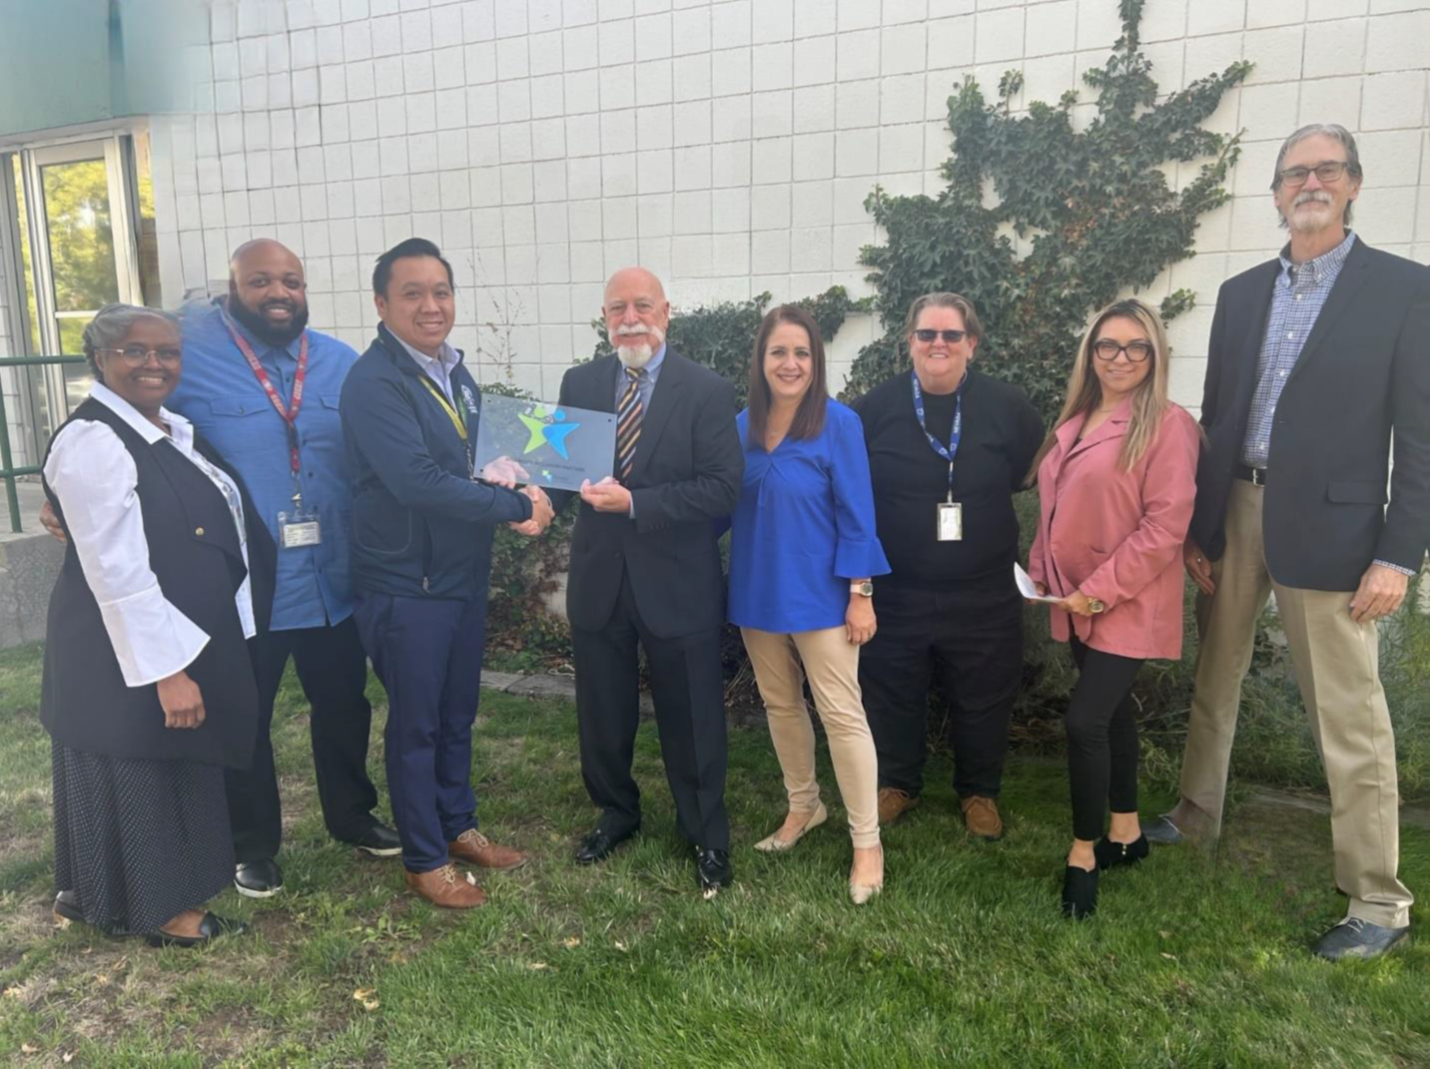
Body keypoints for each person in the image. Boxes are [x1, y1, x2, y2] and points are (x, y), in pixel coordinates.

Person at [39, 238, 403, 899]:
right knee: (246, 717)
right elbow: (121, 419)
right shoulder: (193, 357)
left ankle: (353, 815)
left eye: (290, 279)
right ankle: (252, 845)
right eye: (259, 280)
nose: (277, 292)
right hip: (250, 588)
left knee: (345, 705)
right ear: (229, 290)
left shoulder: (340, 363)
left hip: (333, 580)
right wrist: (62, 490)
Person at [1145, 123, 1430, 960]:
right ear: (1275, 193)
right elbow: (1221, 419)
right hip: (1238, 510)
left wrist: (1398, 553)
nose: (1309, 182)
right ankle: (1195, 815)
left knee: (1350, 714)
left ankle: (1377, 897)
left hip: (1337, 528)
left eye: (1326, 169)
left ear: (1352, 184)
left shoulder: (1403, 290)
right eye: (1294, 172)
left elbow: (1419, 439)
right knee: (1215, 678)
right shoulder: (1239, 295)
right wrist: (1202, 526)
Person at [41, 303, 273, 946]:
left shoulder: (164, 428)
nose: (154, 364)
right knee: (142, 765)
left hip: (169, 632)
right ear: (99, 359)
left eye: (166, 352)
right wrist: (169, 671)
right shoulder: (95, 441)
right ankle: (162, 910)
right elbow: (117, 571)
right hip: (128, 646)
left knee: (164, 763)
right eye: (134, 351)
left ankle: (101, 892)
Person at [340, 238, 552, 909]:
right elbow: (419, 481)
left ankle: (458, 825)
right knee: (418, 723)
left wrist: (532, 484)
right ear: (381, 304)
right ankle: (424, 857)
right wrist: (514, 504)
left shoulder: (454, 373)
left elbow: (482, 458)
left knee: (457, 711)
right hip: (407, 584)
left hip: (457, 577)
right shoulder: (374, 383)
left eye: (442, 291)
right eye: (413, 293)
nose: (432, 305)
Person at [546, 267, 743, 896]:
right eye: (616, 309)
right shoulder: (579, 383)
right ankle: (616, 813)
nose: (630, 318)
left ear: (667, 311)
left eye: (642, 306)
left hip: (677, 580)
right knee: (602, 711)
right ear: (604, 318)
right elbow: (557, 465)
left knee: (691, 715)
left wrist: (635, 504)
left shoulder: (707, 390)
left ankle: (706, 833)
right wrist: (524, 487)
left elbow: (721, 488)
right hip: (601, 577)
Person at [1025, 298, 1200, 919]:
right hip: (1072, 596)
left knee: (1084, 721)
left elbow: (1165, 525)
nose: (1119, 358)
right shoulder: (1076, 417)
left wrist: (1097, 589)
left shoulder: (1168, 424)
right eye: (1108, 345)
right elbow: (1056, 501)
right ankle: (1125, 833)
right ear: (1090, 353)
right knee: (1114, 712)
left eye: (1135, 347)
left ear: (1154, 356)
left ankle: (1084, 851)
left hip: (1123, 597)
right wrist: (1043, 565)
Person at [852, 293, 1043, 839]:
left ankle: (979, 792)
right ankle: (898, 784)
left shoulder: (1009, 407)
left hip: (983, 590)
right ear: (908, 342)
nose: (939, 344)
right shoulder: (873, 409)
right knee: (891, 691)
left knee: (985, 695)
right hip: (898, 589)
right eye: (927, 335)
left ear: (971, 344)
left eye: (951, 335)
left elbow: (1027, 472)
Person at [726, 305, 890, 903]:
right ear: (761, 361)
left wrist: (860, 594)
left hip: (824, 596)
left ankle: (867, 841)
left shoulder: (839, 424)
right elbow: (720, 504)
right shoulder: (741, 425)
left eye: (801, 353)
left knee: (842, 714)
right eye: (778, 352)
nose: (790, 363)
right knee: (780, 706)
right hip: (756, 589)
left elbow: (857, 513)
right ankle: (804, 808)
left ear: (815, 362)